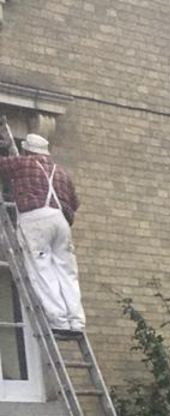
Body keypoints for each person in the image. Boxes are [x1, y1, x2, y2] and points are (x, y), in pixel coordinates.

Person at [0, 133, 86, 332]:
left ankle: (58, 320)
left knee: (41, 269)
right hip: (61, 222)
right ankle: (76, 320)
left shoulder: (23, 163)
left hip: (36, 220)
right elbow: (75, 203)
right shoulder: (61, 172)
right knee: (67, 271)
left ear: (27, 149)